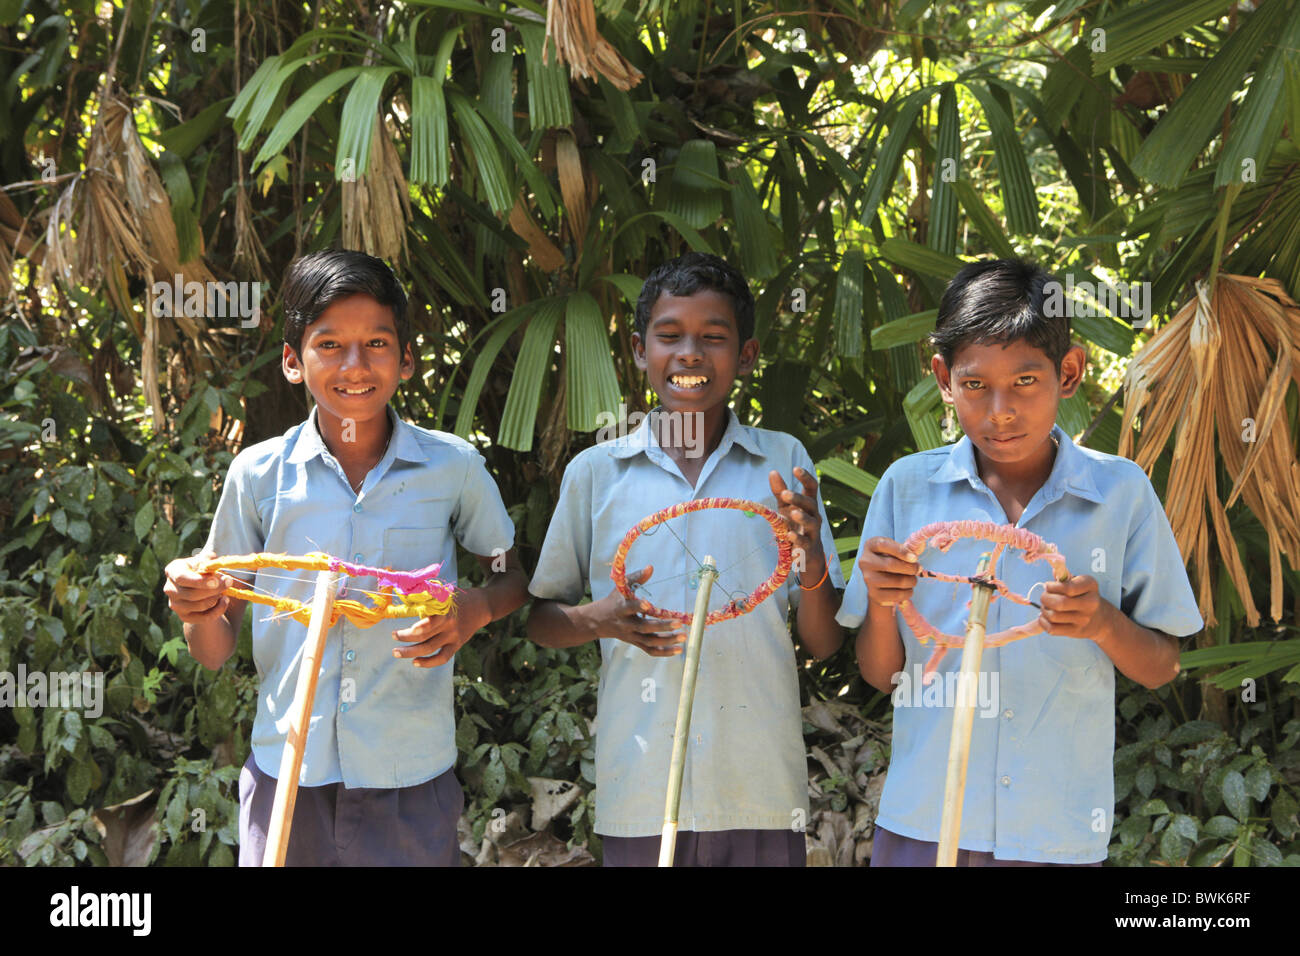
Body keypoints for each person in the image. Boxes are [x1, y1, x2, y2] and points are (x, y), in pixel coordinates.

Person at [163, 249, 528, 866]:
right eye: (329, 344)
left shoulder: (453, 467)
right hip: (289, 774)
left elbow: (512, 576)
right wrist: (198, 610)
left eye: (377, 343)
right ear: (291, 360)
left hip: (409, 781)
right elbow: (215, 649)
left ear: (406, 358)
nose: (355, 365)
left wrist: (476, 610)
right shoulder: (258, 475)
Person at [839, 258, 1203, 866]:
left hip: (1053, 832)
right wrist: (882, 603)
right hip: (925, 824)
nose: (1000, 410)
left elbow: (1163, 666)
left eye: (1025, 382)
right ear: (944, 379)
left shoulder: (1121, 494)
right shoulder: (907, 489)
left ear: (1069, 372)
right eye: (976, 385)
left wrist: (1102, 623)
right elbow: (883, 675)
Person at [527, 252, 845, 866]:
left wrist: (810, 561)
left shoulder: (784, 465)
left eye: (713, 338)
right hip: (639, 786)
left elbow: (825, 642)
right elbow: (542, 620)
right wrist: (599, 619)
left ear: (746, 356)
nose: (691, 354)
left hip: (760, 789)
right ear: (641, 351)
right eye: (669, 336)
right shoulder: (597, 474)